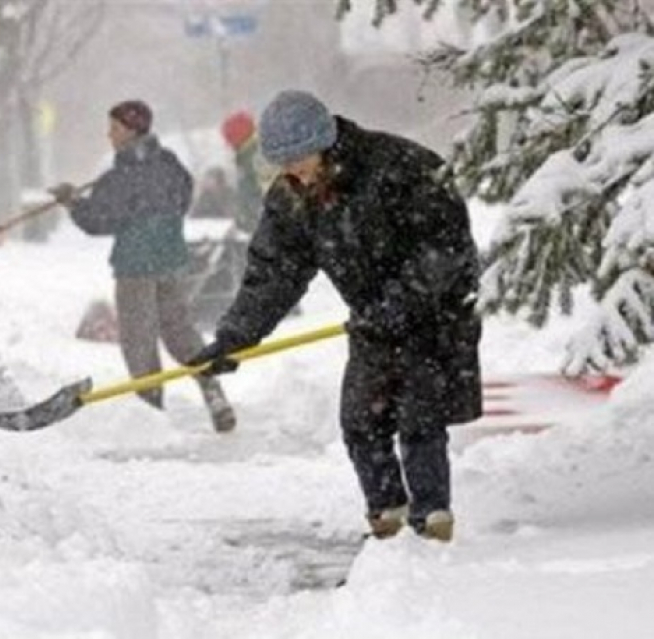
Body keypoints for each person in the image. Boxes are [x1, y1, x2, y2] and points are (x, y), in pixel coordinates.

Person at [189, 90, 482, 540]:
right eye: (282, 162)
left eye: (298, 159)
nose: (291, 171)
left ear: (324, 143)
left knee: (419, 419)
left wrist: (400, 302)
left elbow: (445, 247)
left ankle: (432, 523)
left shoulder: (399, 166)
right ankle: (388, 519)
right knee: (362, 421)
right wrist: (235, 338)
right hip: (371, 322)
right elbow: (274, 273)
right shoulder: (292, 195)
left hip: (433, 315)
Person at [50, 99, 236, 433]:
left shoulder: (121, 176)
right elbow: (184, 196)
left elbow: (97, 220)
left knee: (139, 339)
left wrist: (72, 202)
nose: (109, 135)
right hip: (171, 261)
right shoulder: (169, 163)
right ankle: (213, 392)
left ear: (132, 130)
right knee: (180, 331)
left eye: (115, 128)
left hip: (136, 266)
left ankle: (152, 412)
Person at [220, 110, 270, 235]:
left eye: (230, 138)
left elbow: (268, 190)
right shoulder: (246, 157)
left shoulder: (257, 157)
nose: (229, 146)